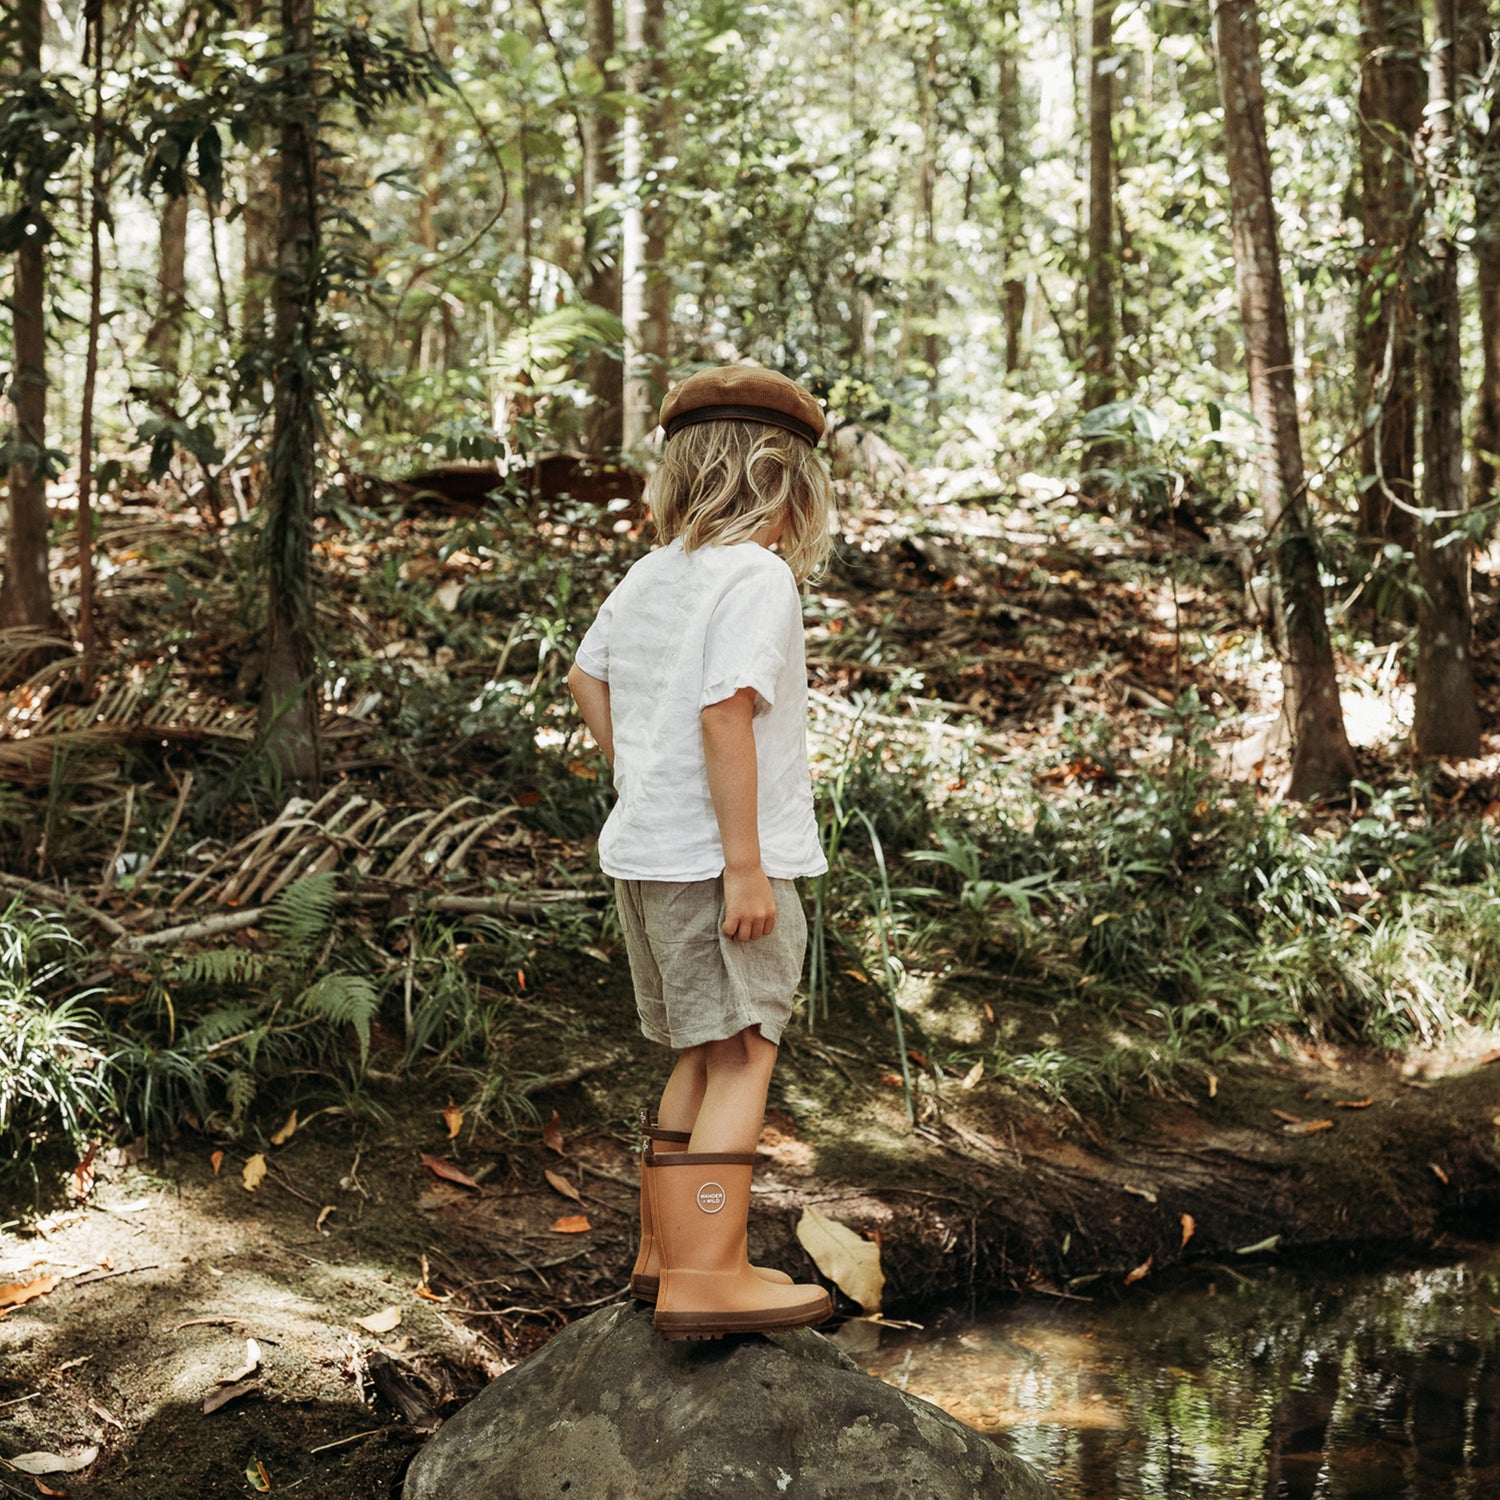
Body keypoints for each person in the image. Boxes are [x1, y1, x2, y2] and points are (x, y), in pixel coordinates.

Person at [567, 365, 834, 1340]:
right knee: (748, 1048)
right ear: (784, 479)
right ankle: (708, 1272)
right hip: (720, 861)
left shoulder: (654, 573)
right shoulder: (755, 576)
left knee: (705, 1049)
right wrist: (748, 864)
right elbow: (727, 713)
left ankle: (661, 1256)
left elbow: (586, 678)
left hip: (648, 852)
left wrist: (644, 778)